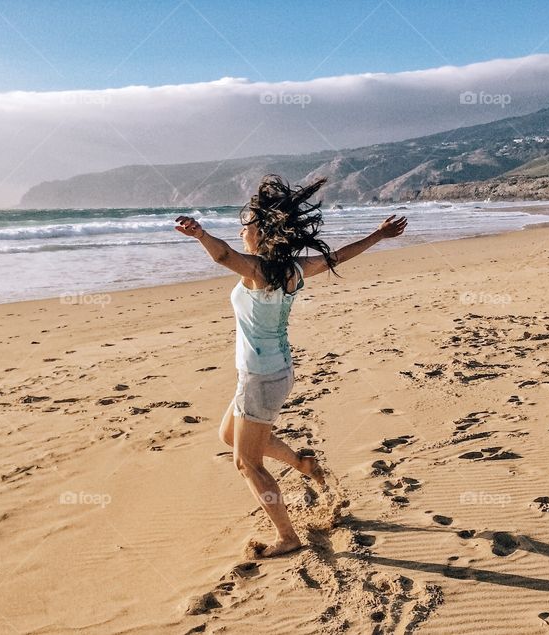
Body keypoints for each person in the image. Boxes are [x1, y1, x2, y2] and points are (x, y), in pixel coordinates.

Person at [175, 174, 408, 557]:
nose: (241, 232)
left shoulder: (259, 271)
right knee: (229, 436)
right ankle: (303, 463)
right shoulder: (295, 268)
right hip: (276, 371)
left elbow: (221, 256)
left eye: (246, 226)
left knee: (246, 462)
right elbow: (339, 256)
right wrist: (378, 236)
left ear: (262, 233)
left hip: (261, 377)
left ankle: (287, 537)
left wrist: (199, 233)